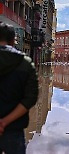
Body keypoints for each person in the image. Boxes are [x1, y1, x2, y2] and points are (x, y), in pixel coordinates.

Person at [0, 23, 38, 153]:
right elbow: (31, 98)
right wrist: (4, 122)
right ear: (13, 41)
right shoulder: (26, 64)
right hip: (14, 130)